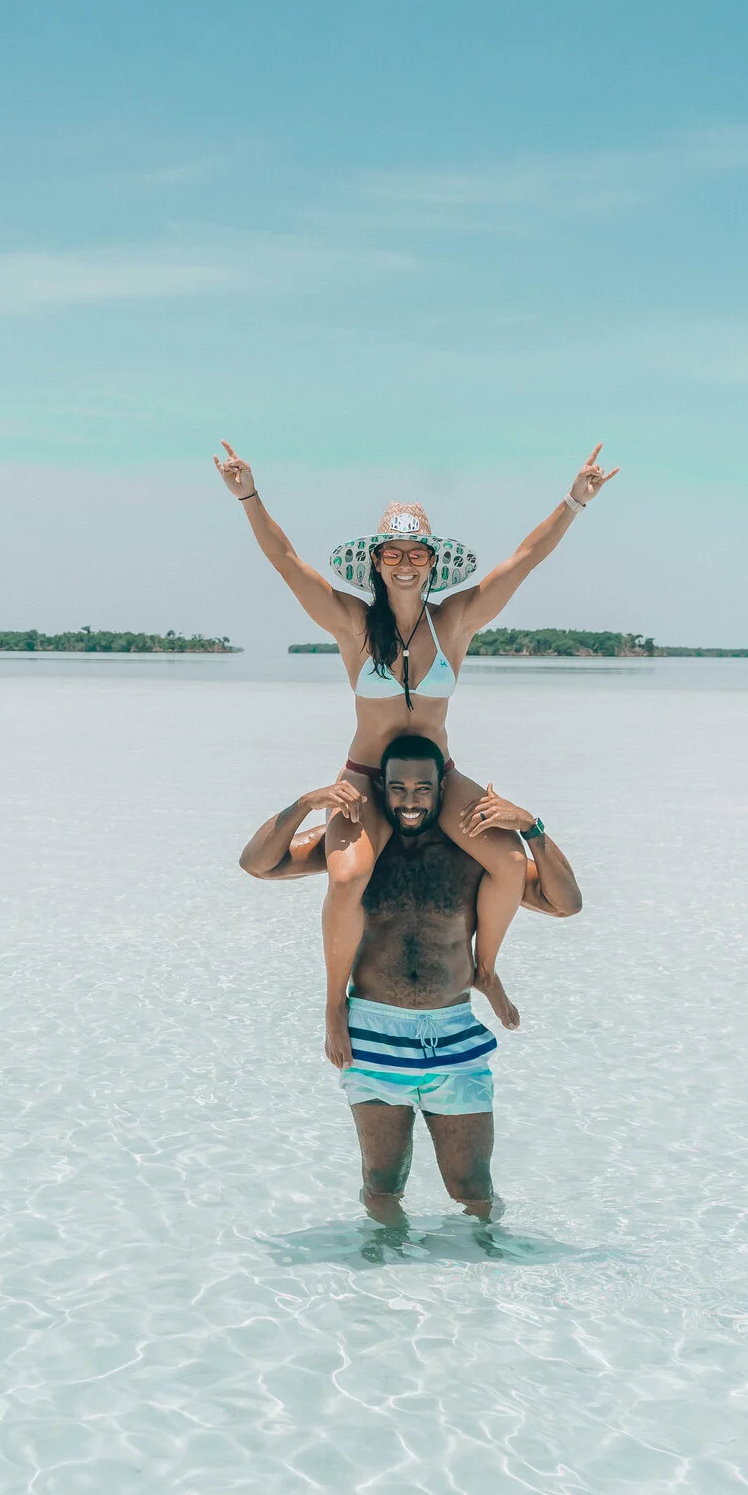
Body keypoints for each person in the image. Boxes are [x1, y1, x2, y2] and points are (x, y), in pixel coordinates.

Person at [214, 440, 615, 1066]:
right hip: (367, 777)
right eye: (394, 554)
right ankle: (331, 1005)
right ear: (377, 562)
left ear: (433, 563)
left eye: (416, 554)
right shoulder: (351, 623)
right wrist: (248, 496)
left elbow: (525, 560)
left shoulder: (453, 622)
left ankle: (485, 970)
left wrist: (574, 501)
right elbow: (286, 562)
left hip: (438, 775)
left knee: (508, 862)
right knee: (346, 876)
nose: (405, 564)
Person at [239, 738, 584, 1223]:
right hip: (372, 1035)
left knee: (474, 1190)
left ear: (444, 789)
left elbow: (565, 902)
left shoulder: (470, 855)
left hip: (455, 1035)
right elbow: (258, 863)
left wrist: (532, 828)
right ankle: (381, 1288)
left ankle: (485, 1281)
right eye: (398, 788)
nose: (409, 801)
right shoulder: (357, 852)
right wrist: (305, 805)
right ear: (381, 789)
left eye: (423, 788)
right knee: (381, 1185)